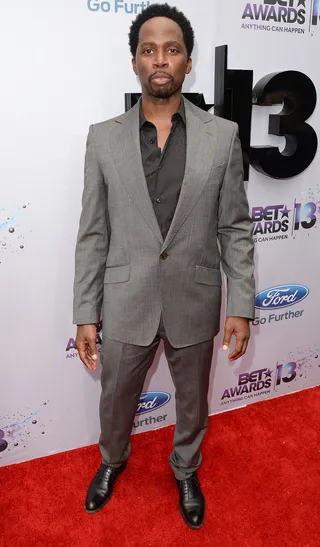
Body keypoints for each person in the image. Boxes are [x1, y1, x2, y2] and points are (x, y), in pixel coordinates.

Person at [73, 3, 255, 530]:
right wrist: (87, 311)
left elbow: (236, 228)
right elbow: (93, 232)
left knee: (193, 400)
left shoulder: (222, 136)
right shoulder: (102, 137)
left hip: (194, 296)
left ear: (188, 62)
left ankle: (186, 468)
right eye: (149, 49)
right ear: (134, 62)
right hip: (125, 297)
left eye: (171, 49)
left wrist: (241, 304)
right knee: (115, 399)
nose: (160, 59)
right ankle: (112, 460)